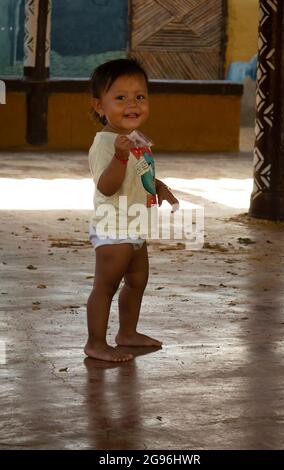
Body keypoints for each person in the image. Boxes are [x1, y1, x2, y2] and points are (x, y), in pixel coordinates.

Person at [85, 58, 179, 362]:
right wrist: (120, 157)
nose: (132, 104)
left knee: (137, 280)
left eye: (140, 96)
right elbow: (107, 186)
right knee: (106, 285)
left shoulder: (137, 139)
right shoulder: (105, 143)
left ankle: (127, 332)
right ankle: (95, 343)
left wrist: (159, 186)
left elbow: (143, 172)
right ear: (100, 106)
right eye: (121, 98)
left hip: (135, 225)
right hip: (113, 227)